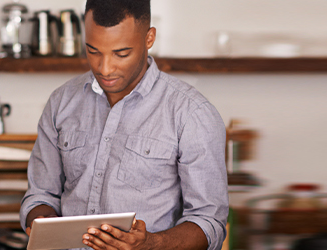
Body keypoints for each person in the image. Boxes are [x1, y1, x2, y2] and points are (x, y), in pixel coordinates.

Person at [20, 0, 229, 249]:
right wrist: (42, 221)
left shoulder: (191, 113)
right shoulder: (61, 102)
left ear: (149, 38)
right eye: (93, 50)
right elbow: (41, 194)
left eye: (121, 53)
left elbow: (209, 221)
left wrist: (152, 243)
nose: (104, 68)